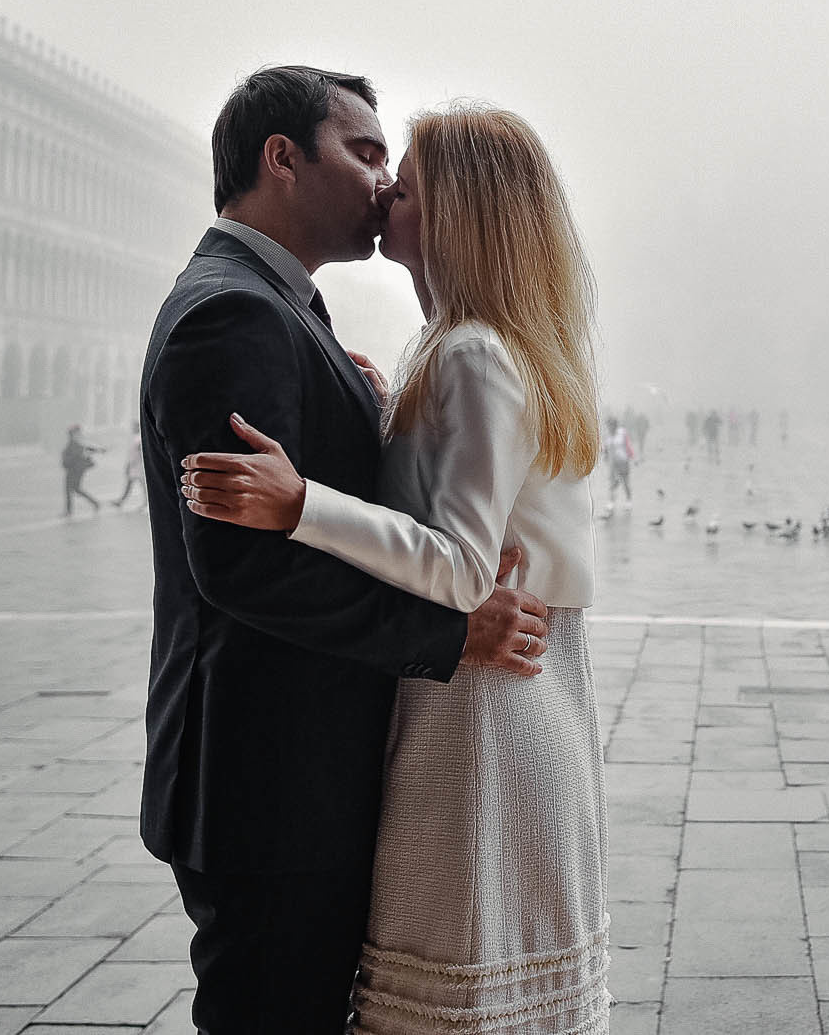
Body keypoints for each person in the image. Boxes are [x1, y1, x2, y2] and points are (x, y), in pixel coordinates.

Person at [141, 69, 549, 1031]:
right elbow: (245, 563)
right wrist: (450, 636)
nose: (383, 180)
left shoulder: (273, 303)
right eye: (365, 152)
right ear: (282, 158)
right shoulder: (232, 312)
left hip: (285, 769)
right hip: (269, 778)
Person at [59, 425, 104, 516]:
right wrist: (99, 450)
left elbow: (78, 454)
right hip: (75, 469)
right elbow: (87, 449)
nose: (71, 435)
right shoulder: (75, 443)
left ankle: (69, 511)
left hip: (75, 470)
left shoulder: (75, 444)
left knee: (69, 489)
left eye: (72, 433)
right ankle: (95, 503)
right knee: (76, 489)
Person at [603, 415, 635, 508]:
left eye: (611, 425)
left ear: (615, 425)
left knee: (625, 482)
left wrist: (632, 457)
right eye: (608, 426)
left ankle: (629, 500)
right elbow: (605, 449)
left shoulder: (622, 433)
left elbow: (628, 445)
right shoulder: (607, 435)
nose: (610, 427)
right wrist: (605, 455)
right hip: (612, 463)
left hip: (623, 461)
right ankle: (611, 501)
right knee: (612, 483)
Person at [114, 419, 145, 510]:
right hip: (134, 465)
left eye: (134, 427)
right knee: (130, 483)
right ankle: (121, 501)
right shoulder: (135, 438)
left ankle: (147, 503)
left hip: (139, 466)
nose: (132, 429)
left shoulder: (139, 438)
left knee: (143, 485)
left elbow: (140, 453)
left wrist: (130, 464)